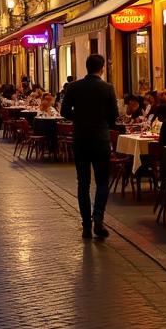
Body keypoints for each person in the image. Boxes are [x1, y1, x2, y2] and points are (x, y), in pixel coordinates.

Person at [62, 54, 119, 239]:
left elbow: (64, 111)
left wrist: (78, 120)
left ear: (86, 67)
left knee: (83, 183)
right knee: (103, 181)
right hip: (101, 140)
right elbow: (114, 116)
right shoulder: (107, 88)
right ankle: (98, 218)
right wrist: (102, 123)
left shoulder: (73, 87)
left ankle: (86, 224)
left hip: (80, 139)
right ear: (101, 68)